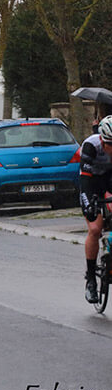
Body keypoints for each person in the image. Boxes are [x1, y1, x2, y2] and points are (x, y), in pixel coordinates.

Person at [78, 115, 112, 303]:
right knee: (95, 229)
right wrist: (89, 204)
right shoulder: (91, 145)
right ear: (102, 140)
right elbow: (84, 180)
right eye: (110, 145)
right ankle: (90, 279)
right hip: (91, 182)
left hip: (109, 181)